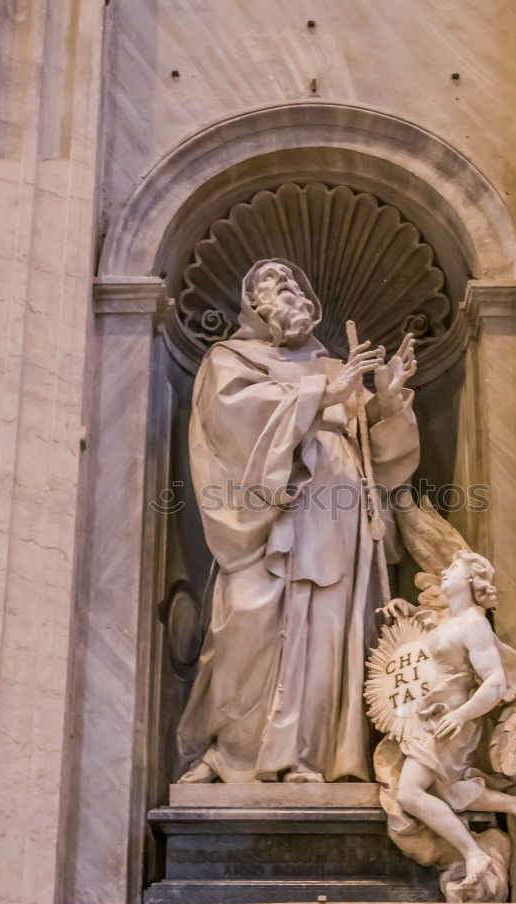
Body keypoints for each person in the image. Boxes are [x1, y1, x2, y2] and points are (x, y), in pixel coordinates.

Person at [177, 258, 419, 783]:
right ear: (255, 305)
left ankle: (314, 758)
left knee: (329, 633)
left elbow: (377, 453)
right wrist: (322, 399)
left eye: (294, 286)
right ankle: (234, 753)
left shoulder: (335, 367)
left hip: (335, 519)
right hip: (264, 524)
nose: (289, 293)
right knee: (247, 623)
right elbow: (231, 422)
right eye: (274, 286)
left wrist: (388, 403)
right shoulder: (230, 360)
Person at [383, 549, 516, 885]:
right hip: (431, 719)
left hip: (450, 724)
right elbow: (431, 648)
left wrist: (459, 716)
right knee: (450, 791)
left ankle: (474, 854)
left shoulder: (475, 624)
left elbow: (495, 683)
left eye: (453, 568)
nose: (445, 572)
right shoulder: (448, 621)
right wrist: (407, 612)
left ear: (471, 580)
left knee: (410, 794)